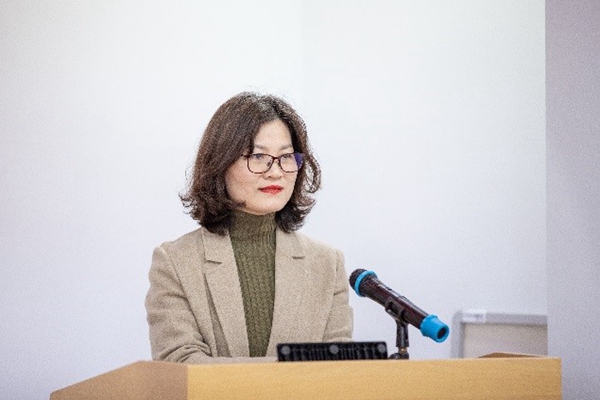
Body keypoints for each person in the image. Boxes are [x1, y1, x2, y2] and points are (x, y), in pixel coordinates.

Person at [145, 92, 353, 363]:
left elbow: (339, 371)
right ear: (220, 163)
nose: (275, 171)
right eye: (258, 156)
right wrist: (292, 370)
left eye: (286, 157)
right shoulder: (176, 262)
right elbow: (181, 364)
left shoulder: (327, 263)